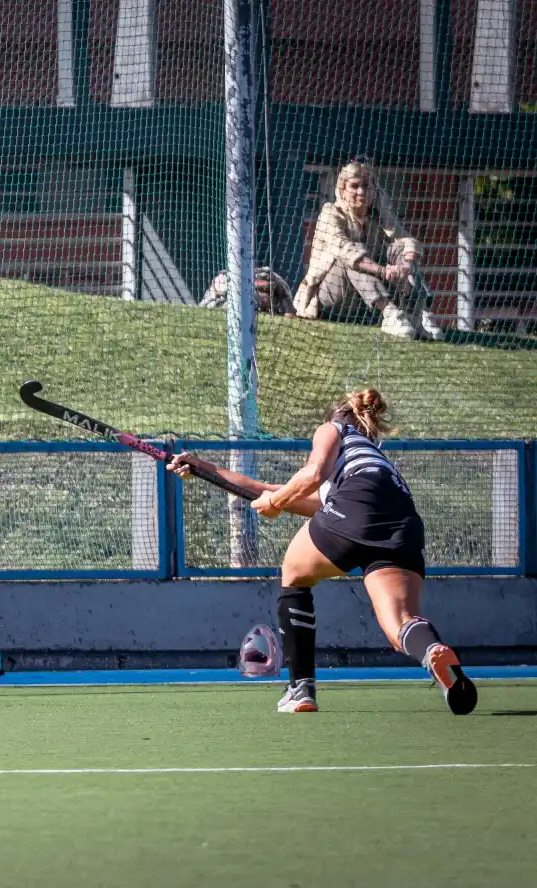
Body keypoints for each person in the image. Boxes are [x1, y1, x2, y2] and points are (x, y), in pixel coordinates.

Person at [167, 388, 477, 714]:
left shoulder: (334, 429)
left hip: (357, 506)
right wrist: (204, 468)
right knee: (400, 623)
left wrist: (276, 502)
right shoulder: (372, 461)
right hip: (402, 522)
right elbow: (274, 491)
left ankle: (300, 689)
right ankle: (434, 652)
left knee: (295, 573)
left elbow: (311, 475)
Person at [293, 161, 444, 340]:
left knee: (399, 249)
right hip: (332, 299)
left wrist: (405, 265)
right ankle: (390, 313)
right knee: (352, 253)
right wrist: (383, 270)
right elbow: (347, 251)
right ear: (342, 189)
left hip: (366, 304)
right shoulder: (330, 213)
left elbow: (408, 241)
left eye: (366, 186)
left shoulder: (378, 216)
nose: (361, 192)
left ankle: (418, 316)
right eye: (354, 186)